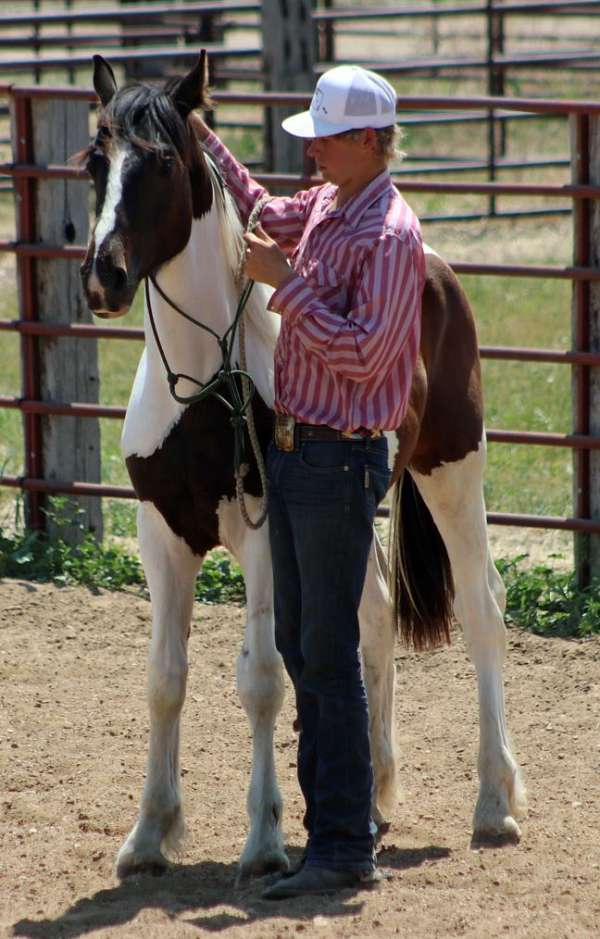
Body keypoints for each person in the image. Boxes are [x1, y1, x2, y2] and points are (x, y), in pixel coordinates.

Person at [192, 64, 425, 900]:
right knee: (302, 643)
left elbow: (367, 353)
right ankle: (338, 829)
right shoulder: (330, 202)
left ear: (368, 140)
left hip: (337, 454)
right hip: (301, 452)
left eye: (323, 136)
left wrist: (283, 286)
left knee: (324, 651)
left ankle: (341, 844)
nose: (312, 148)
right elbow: (261, 206)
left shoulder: (391, 236)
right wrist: (200, 133)